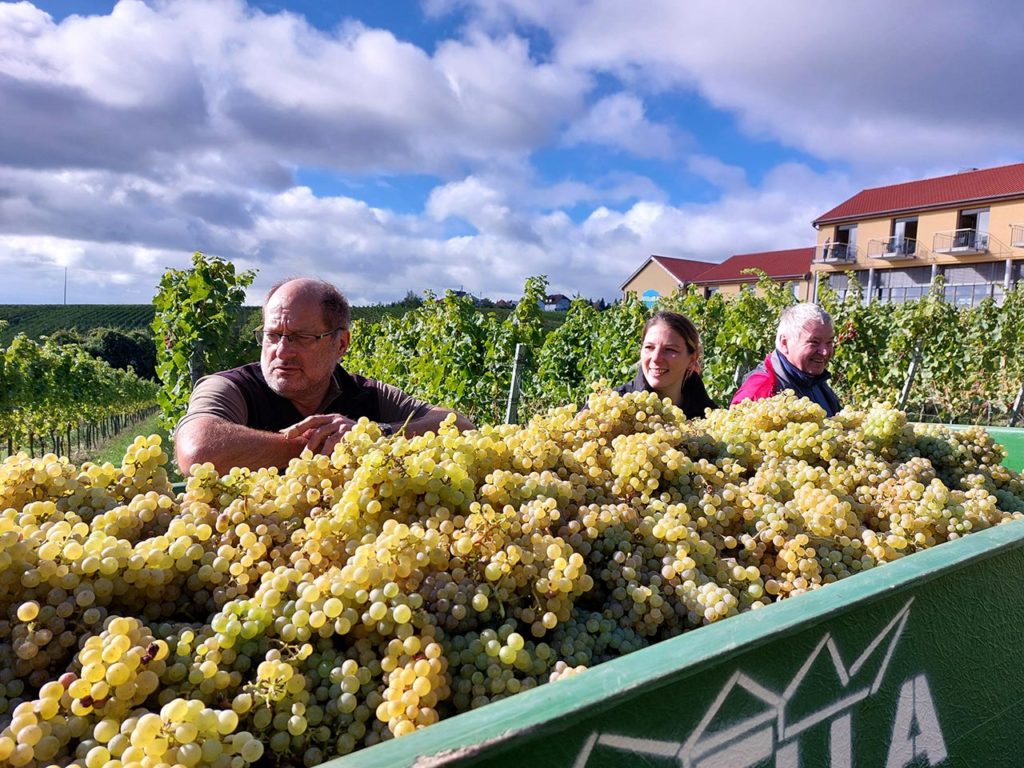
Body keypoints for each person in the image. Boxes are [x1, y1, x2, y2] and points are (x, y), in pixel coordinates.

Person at [175, 277, 475, 473]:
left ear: (340, 343)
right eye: (272, 335)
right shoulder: (230, 388)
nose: (282, 351)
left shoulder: (369, 395)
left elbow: (460, 427)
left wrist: (372, 434)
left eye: (301, 337)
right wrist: (320, 445)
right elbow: (197, 450)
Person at [731, 302, 840, 416]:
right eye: (814, 342)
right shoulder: (760, 390)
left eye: (829, 343)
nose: (825, 351)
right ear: (784, 343)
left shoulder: (814, 381)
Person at [612, 311, 716, 419]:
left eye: (670, 350)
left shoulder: (710, 419)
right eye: (649, 347)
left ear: (692, 359)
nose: (656, 358)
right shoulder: (616, 408)